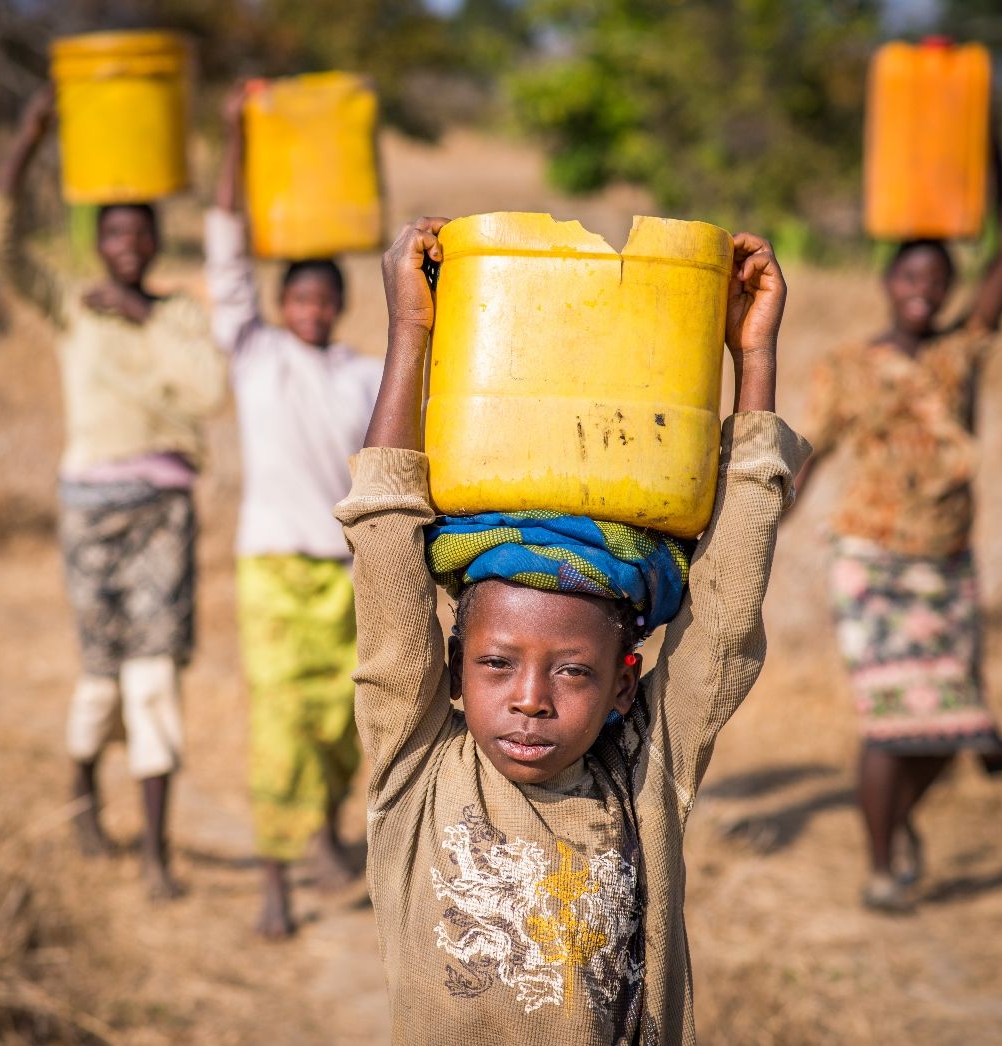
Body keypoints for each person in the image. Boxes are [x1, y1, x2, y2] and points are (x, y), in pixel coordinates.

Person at [336, 216, 809, 1043]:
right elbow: (383, 548)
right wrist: (412, 328)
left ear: (624, 682)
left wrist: (752, 359)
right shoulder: (416, 771)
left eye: (573, 672)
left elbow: (724, 621)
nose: (530, 701)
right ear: (449, 673)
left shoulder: (644, 779)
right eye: (495, 663)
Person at [0, 86, 227, 899]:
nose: (127, 245)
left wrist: (142, 318)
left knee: (153, 675)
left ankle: (154, 850)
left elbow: (206, 392)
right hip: (89, 506)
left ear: (153, 241)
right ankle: (82, 792)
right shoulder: (72, 309)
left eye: (140, 232)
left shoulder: (177, 316)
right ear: (101, 241)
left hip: (162, 511)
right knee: (100, 671)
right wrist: (27, 139)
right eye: (114, 232)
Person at [793, 127, 1002, 913]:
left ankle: (896, 824)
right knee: (891, 723)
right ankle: (880, 865)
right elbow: (813, 454)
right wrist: (757, 529)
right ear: (889, 282)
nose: (922, 290)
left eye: (937, 279)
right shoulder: (848, 367)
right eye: (911, 276)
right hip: (872, 558)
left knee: (951, 729)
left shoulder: (958, 353)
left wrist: (986, 146)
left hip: (947, 558)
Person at [205, 83, 383, 937]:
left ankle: (328, 835)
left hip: (343, 571)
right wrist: (238, 136)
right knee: (279, 726)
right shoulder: (253, 353)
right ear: (281, 304)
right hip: (272, 566)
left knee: (343, 725)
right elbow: (225, 253)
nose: (311, 310)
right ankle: (274, 880)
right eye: (299, 297)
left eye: (325, 299)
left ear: (340, 305)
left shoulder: (361, 374)